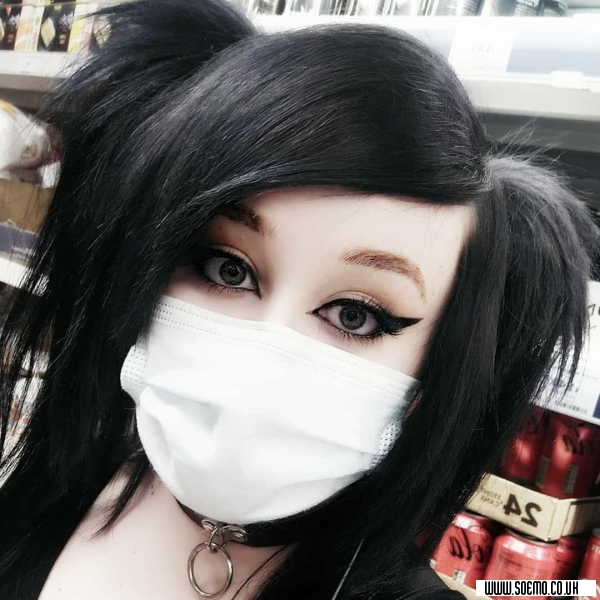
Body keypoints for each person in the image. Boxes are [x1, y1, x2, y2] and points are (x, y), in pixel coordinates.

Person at [0, 0, 598, 599]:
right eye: (227, 268)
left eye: (354, 316)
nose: (255, 365)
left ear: (435, 368)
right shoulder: (59, 477)